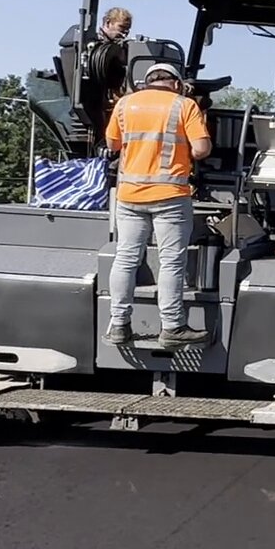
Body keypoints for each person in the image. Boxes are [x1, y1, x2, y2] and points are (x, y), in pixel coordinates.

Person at [104, 62, 213, 348]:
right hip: (170, 196)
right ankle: (172, 327)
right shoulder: (184, 105)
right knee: (171, 262)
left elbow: (112, 145)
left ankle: (119, 325)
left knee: (125, 259)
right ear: (176, 84)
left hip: (129, 195)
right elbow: (201, 149)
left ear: (146, 82)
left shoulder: (125, 104)